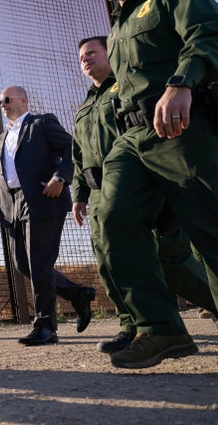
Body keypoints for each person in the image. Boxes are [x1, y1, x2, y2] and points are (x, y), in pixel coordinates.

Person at [87, 0, 218, 368]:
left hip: (179, 126)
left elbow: (208, 32)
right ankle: (159, 328)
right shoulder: (117, 25)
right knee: (112, 217)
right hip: (133, 138)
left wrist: (182, 83)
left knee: (209, 226)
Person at [72, 36, 218, 354]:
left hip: (139, 184)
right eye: (81, 56)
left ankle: (214, 303)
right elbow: (78, 155)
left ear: (110, 54)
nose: (85, 59)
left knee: (173, 262)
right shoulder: (84, 106)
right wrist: (79, 194)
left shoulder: (126, 89)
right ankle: (133, 326)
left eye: (92, 53)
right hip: (100, 192)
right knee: (110, 262)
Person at [0, 86, 96, 346]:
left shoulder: (42, 122)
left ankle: (45, 327)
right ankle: (78, 294)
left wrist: (60, 178)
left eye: (7, 99)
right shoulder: (1, 140)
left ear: (23, 101)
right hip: (11, 205)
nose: (3, 104)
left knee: (39, 263)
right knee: (23, 264)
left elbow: (72, 148)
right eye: (0, 101)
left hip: (43, 198)